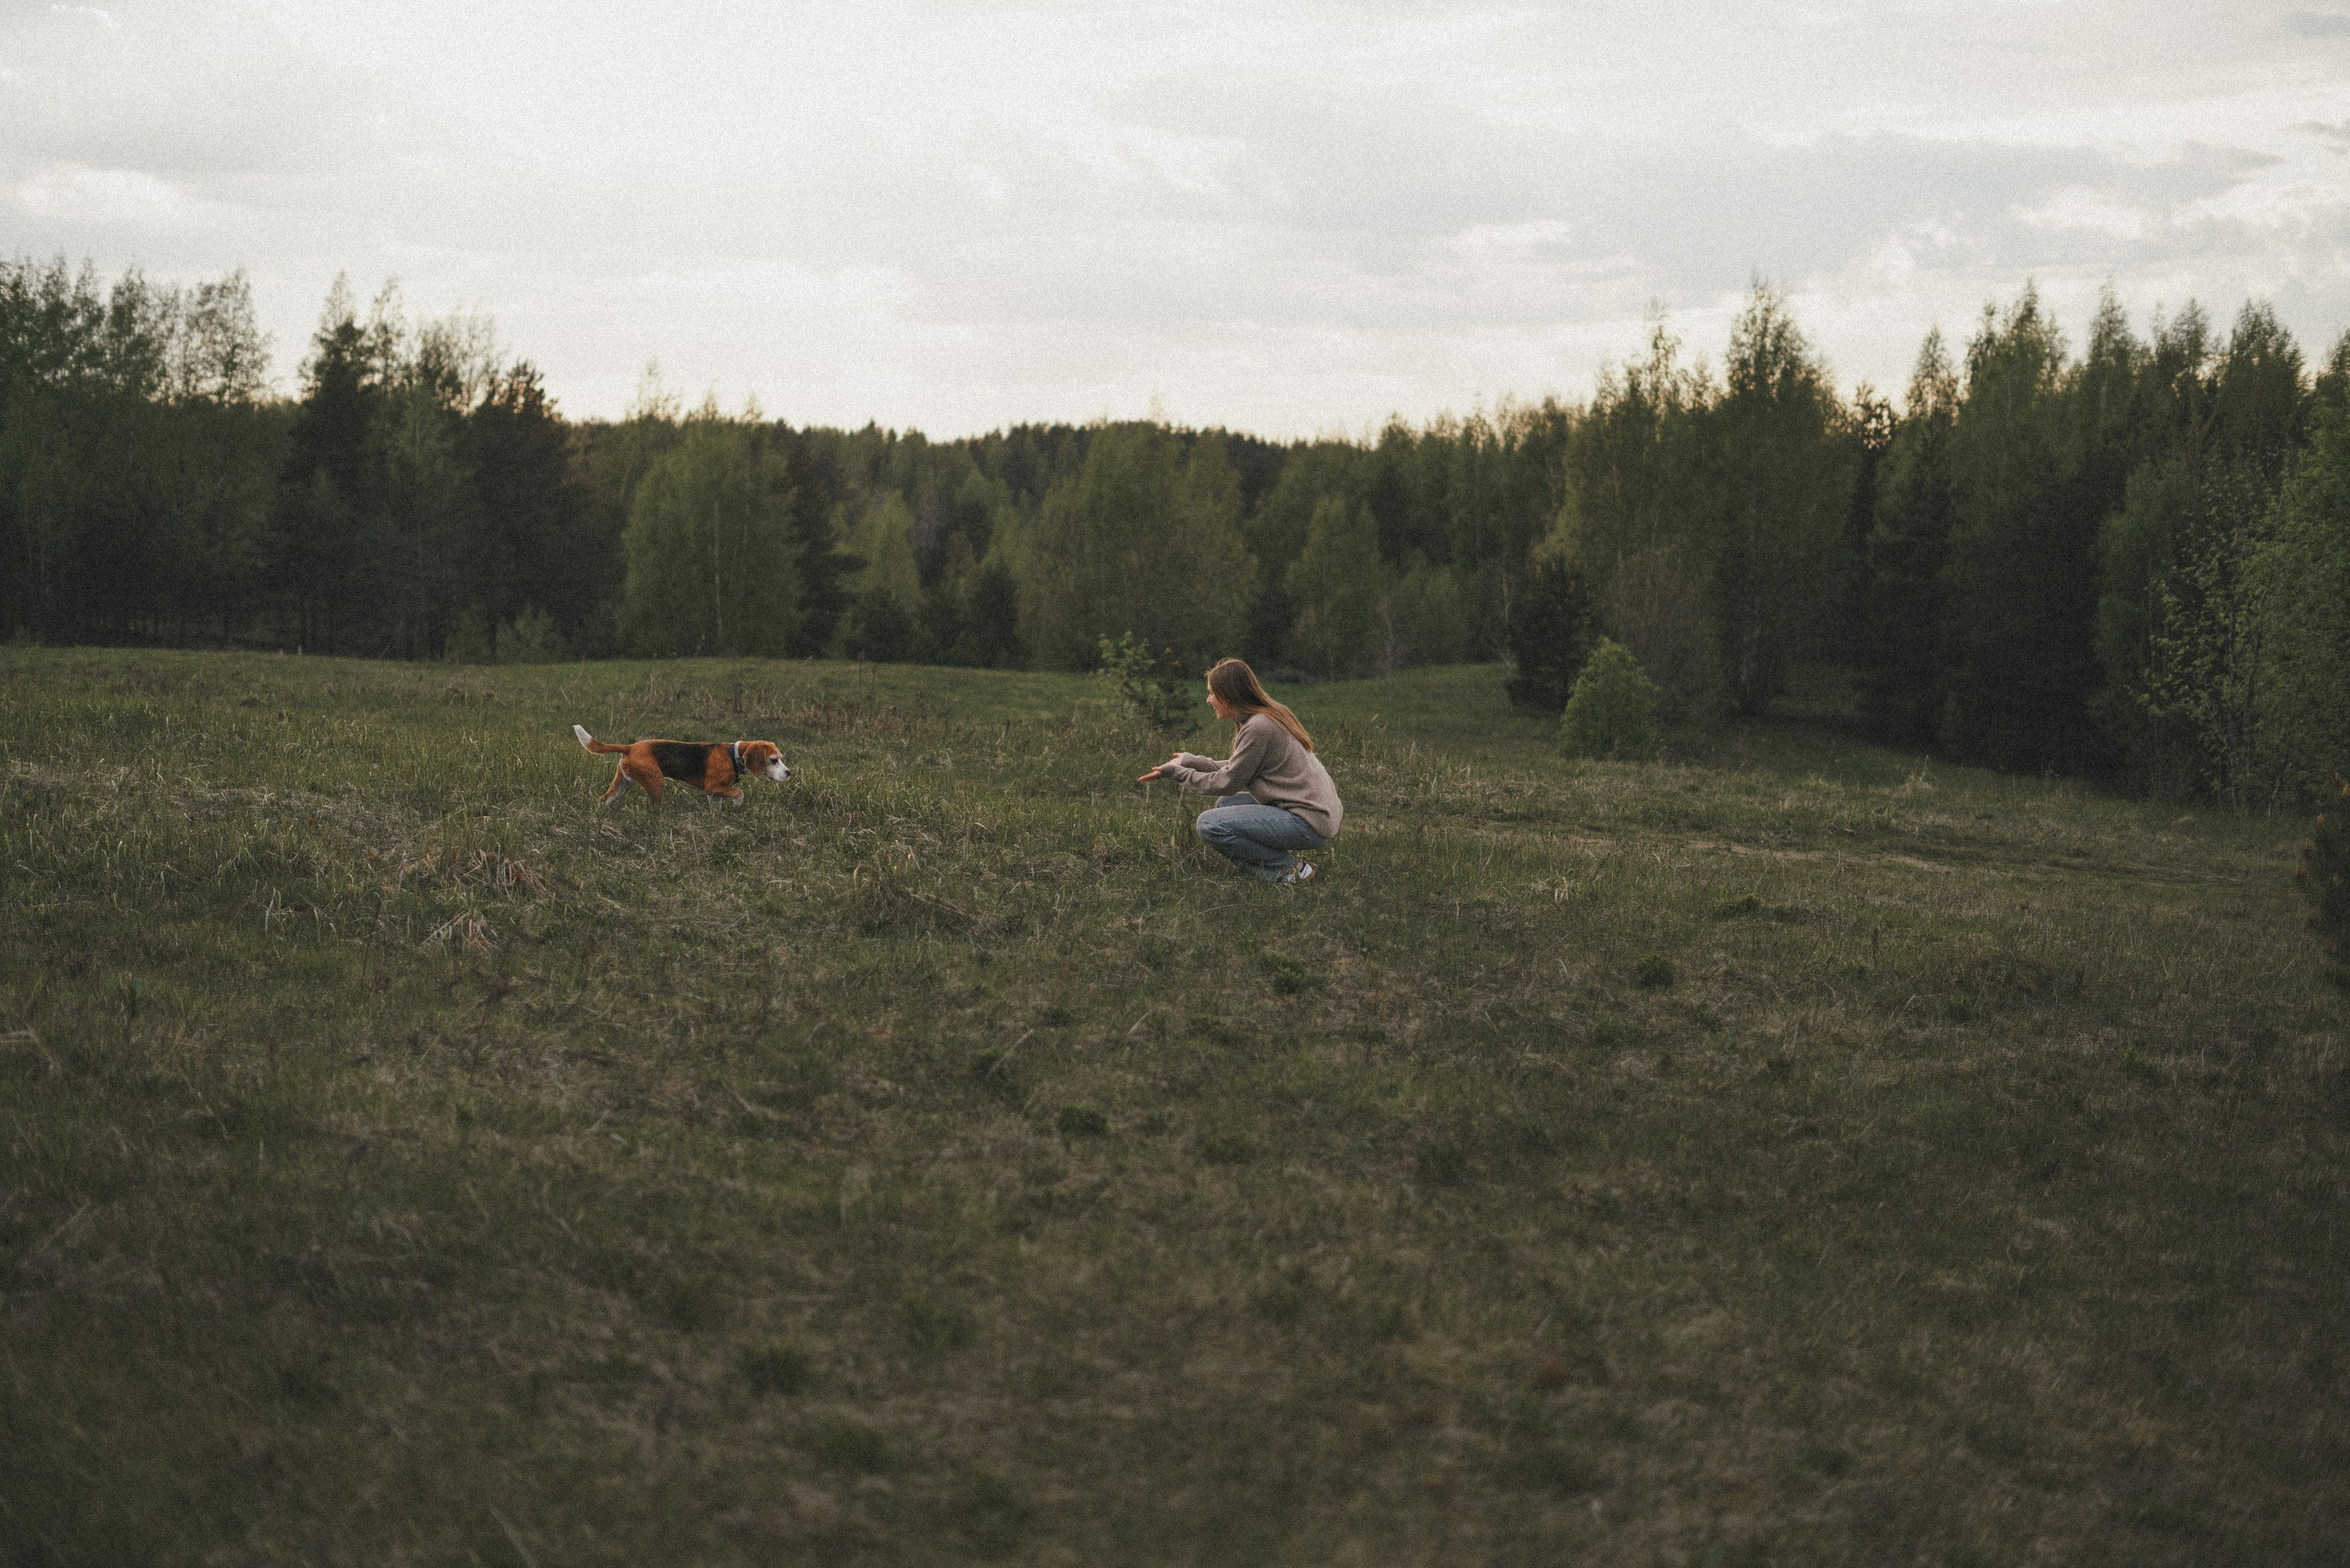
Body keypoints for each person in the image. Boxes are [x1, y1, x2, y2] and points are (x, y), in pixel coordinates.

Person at [1138, 657, 1342, 886]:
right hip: (1316, 813)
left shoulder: (1258, 727)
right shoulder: (1267, 717)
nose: (1208, 700)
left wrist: (1177, 774)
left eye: (1212, 694)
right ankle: (1282, 867)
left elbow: (1227, 782)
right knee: (1226, 805)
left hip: (1309, 822)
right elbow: (1239, 767)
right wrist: (1189, 761)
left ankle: (1290, 871)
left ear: (1228, 695)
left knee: (1209, 824)